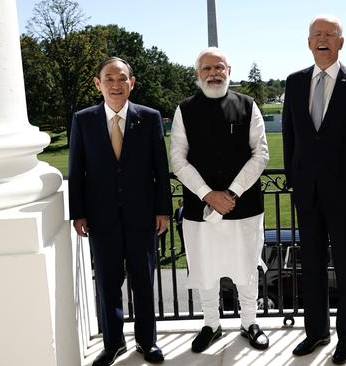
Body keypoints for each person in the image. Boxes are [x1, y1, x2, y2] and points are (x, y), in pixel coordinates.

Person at [282, 15, 346, 365]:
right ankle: (316, 332)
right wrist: (294, 182)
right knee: (310, 267)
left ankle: (345, 340)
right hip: (306, 194)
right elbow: (292, 137)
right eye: (316, 35)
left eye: (330, 34)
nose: (322, 39)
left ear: (341, 42)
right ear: (308, 42)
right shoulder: (293, 83)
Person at [69, 57, 170, 366]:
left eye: (122, 78)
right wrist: (78, 213)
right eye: (109, 78)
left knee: (143, 282)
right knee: (108, 285)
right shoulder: (83, 120)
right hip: (101, 219)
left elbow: (159, 168)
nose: (116, 84)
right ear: (98, 84)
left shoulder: (149, 118)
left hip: (142, 217)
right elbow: (77, 169)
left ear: (132, 82)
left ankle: (146, 342)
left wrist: (162, 210)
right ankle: (114, 344)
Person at [170, 47, 270, 353]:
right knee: (205, 268)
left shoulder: (247, 105)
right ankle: (211, 324)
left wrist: (232, 192)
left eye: (219, 67)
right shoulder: (184, 109)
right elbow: (177, 158)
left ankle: (249, 322)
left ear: (229, 70)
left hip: (244, 206)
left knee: (246, 267)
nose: (214, 73)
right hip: (200, 208)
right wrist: (208, 194)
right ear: (198, 74)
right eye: (206, 69)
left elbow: (261, 153)